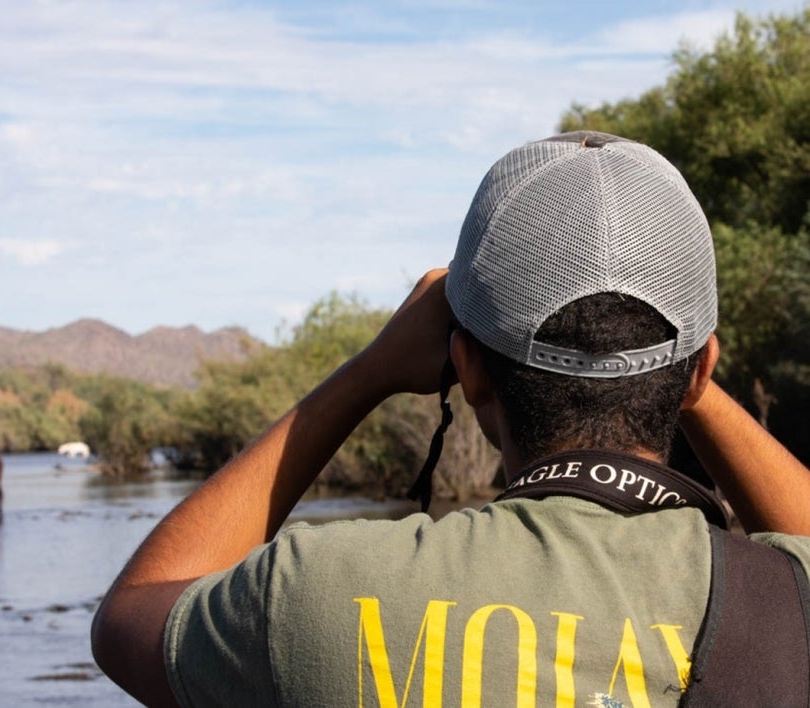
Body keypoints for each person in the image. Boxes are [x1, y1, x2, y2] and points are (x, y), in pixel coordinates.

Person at [91, 132, 810, 707]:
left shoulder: (322, 592)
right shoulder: (790, 606)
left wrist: (368, 371)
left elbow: (133, 612)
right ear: (703, 369)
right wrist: (673, 369)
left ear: (464, 368)